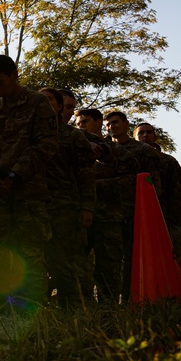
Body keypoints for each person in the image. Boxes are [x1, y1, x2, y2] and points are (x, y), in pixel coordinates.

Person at [0, 55, 58, 313]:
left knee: (30, 255)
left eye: (0, 82)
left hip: (28, 194)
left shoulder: (38, 103)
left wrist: (14, 176)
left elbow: (46, 145)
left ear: (14, 75)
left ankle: (30, 312)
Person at [75, 108, 138, 303]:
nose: (81, 126)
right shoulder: (73, 145)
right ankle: (81, 310)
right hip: (79, 218)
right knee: (78, 267)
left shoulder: (114, 150)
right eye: (78, 123)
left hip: (108, 217)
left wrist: (96, 184)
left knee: (108, 269)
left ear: (99, 122)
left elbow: (131, 180)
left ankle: (108, 312)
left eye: (85, 121)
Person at [39, 89, 96, 306]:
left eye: (50, 99)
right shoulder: (28, 133)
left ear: (60, 107)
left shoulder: (72, 136)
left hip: (64, 209)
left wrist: (87, 207)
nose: (44, 103)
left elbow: (86, 174)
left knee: (68, 263)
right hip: (34, 207)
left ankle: (77, 311)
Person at [104, 110, 161, 302]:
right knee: (108, 262)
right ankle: (108, 303)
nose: (112, 127)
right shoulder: (104, 149)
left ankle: (130, 302)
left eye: (115, 122)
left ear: (126, 124)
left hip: (134, 213)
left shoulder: (142, 150)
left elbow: (154, 184)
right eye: (108, 124)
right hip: (108, 214)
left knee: (131, 260)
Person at [134, 122, 181, 294]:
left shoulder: (168, 162)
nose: (145, 135)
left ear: (155, 136)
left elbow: (179, 191)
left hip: (165, 219)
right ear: (135, 137)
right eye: (141, 133)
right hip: (136, 219)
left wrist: (174, 220)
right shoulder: (131, 160)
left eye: (149, 132)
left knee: (172, 260)